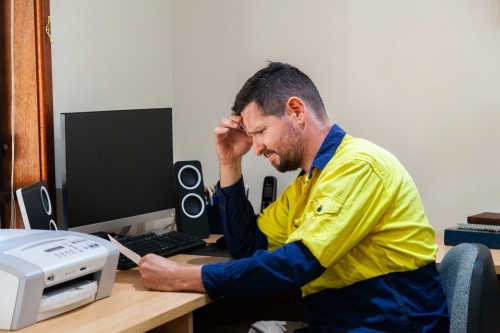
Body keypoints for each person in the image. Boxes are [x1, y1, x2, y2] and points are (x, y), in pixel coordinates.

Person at [138, 62, 450, 332]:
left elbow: (298, 264)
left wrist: (184, 278)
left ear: (296, 111)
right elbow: (247, 246)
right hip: (343, 323)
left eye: (260, 132)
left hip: (389, 325)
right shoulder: (308, 183)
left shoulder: (356, 166)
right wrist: (230, 162)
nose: (256, 147)